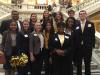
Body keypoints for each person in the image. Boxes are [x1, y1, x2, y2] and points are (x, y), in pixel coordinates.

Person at [74, 10, 95, 75]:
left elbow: (92, 36)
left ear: (86, 15)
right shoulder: (76, 24)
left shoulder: (90, 24)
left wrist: (91, 45)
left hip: (87, 47)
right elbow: (74, 36)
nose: (82, 15)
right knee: (79, 64)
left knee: (87, 64)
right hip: (78, 48)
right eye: (80, 14)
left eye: (83, 14)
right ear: (79, 16)